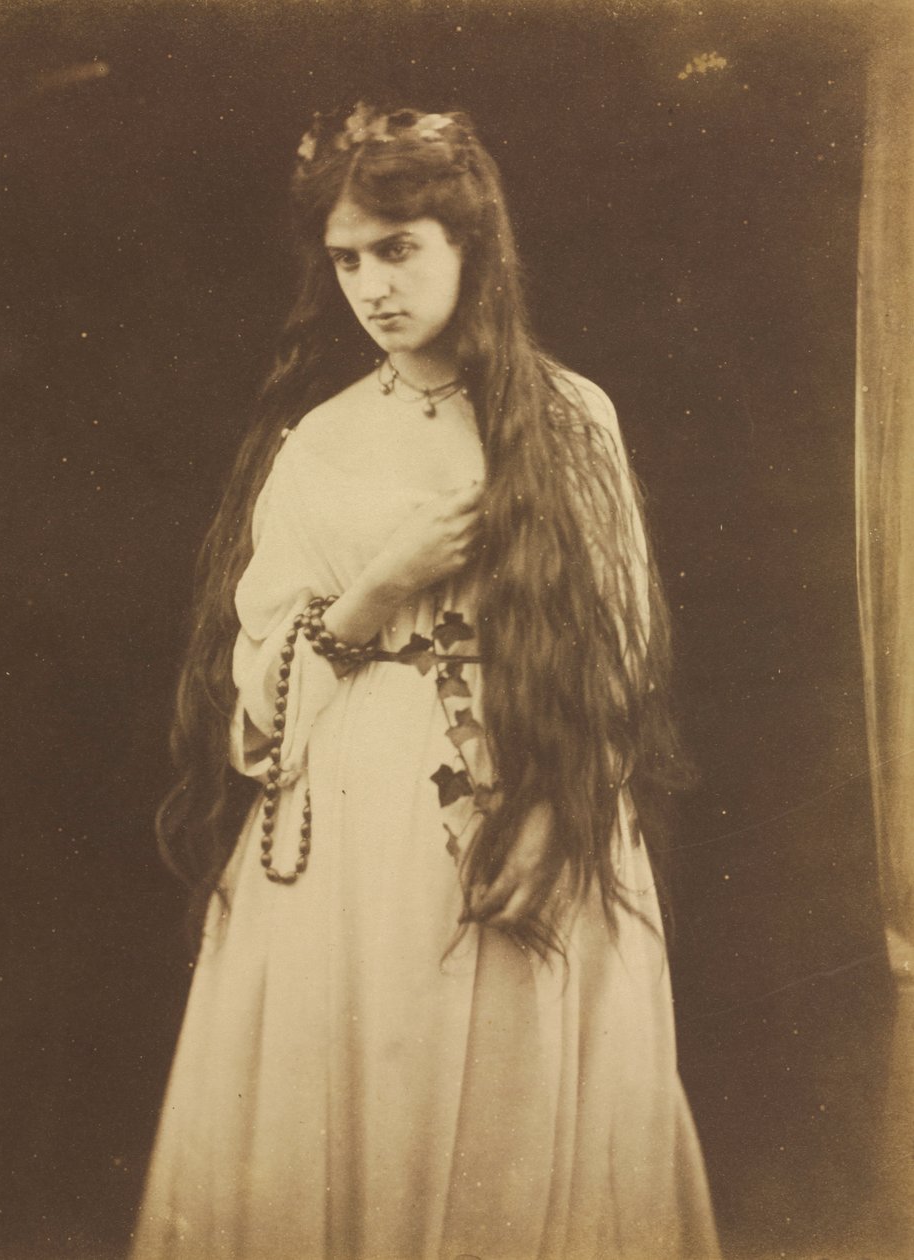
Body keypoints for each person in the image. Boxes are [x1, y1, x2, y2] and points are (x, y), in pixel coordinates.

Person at [133, 102, 719, 1260]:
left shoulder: (570, 420)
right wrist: (378, 588)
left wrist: (562, 815)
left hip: (539, 803)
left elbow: (618, 652)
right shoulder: (322, 441)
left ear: (470, 243)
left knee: (524, 1097)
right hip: (356, 831)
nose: (372, 286)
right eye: (347, 259)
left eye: (398, 248)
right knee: (368, 1088)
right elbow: (257, 709)